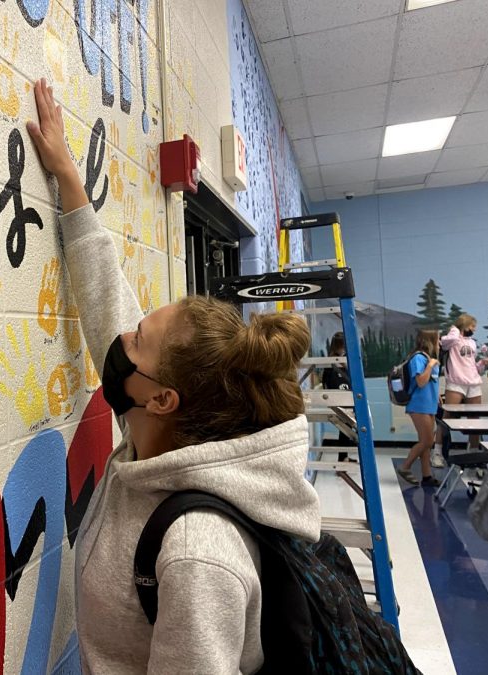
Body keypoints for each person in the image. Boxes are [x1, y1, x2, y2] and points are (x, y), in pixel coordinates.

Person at [26, 78, 319, 674]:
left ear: (161, 398)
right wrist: (68, 180)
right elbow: (110, 300)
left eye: (138, 339)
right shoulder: (158, 443)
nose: (122, 338)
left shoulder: (196, 555)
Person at [441, 315, 488, 449]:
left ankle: (473, 451)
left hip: (473, 384)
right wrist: (455, 328)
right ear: (464, 325)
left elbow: (473, 366)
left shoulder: (472, 342)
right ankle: (437, 451)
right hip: (456, 384)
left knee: (474, 419)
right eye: (472, 326)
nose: (474, 329)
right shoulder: (452, 340)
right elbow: (445, 342)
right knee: (448, 417)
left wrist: (483, 362)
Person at [397, 331, 441, 487]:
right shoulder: (418, 358)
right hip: (419, 405)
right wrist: (430, 366)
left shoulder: (428, 358)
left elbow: (430, 383)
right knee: (427, 440)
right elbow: (421, 382)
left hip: (429, 405)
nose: (440, 343)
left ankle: (427, 476)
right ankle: (405, 466)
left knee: (427, 442)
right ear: (430, 341)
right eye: (438, 340)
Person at [320, 332, 356, 462]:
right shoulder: (331, 361)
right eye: (343, 346)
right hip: (339, 400)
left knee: (347, 429)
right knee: (345, 429)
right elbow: (326, 381)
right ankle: (342, 459)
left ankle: (343, 457)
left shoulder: (343, 360)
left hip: (347, 398)